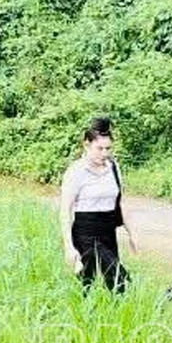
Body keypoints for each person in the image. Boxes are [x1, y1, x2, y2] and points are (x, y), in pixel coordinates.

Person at [59, 117, 134, 292]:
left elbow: (121, 203)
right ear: (87, 145)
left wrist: (132, 234)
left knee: (112, 284)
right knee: (115, 277)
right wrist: (68, 247)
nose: (104, 153)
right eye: (99, 148)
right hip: (85, 232)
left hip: (108, 230)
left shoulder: (113, 168)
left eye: (108, 148)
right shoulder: (76, 172)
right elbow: (65, 211)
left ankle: (113, 314)